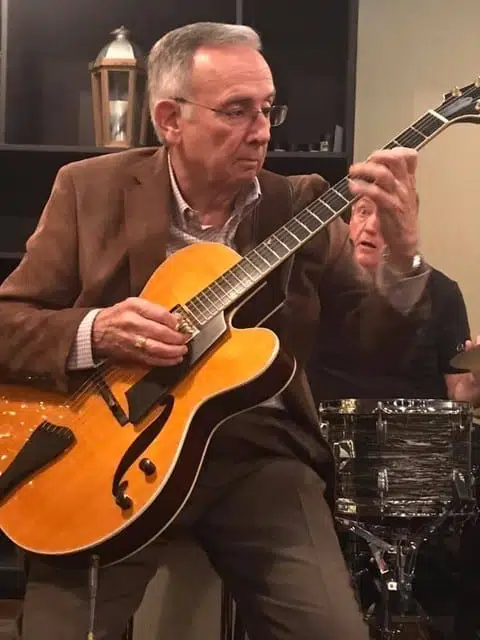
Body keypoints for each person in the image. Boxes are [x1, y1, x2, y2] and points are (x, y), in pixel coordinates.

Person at [0, 22, 429, 640]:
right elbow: (9, 324)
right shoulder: (87, 188)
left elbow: (378, 346)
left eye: (267, 109)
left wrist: (403, 259)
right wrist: (97, 330)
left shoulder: (301, 204)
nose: (261, 130)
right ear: (170, 119)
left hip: (258, 460)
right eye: (236, 110)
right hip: (112, 455)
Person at [307, 195, 480, 405]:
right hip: (321, 423)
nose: (371, 226)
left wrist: (475, 382)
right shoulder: (315, 283)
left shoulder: (444, 293)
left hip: (413, 425)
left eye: (388, 217)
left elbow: (459, 395)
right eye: (363, 212)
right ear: (350, 220)